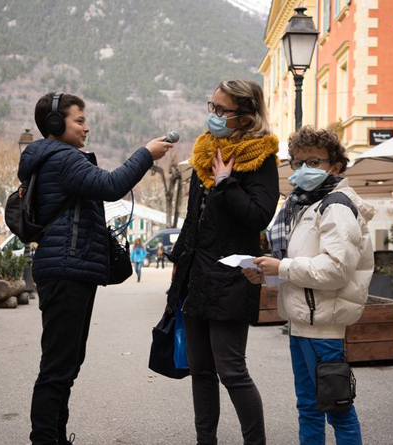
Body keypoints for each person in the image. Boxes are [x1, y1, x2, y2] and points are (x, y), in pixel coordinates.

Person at [19, 92, 173, 445]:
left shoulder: (57, 158)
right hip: (66, 271)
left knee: (67, 364)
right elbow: (111, 185)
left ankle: (55, 437)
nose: (86, 128)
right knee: (58, 367)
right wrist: (146, 154)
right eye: (79, 120)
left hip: (69, 269)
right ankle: (45, 440)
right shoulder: (62, 159)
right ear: (56, 125)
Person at [243, 127, 375, 445]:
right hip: (303, 323)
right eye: (298, 162)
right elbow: (304, 267)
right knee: (308, 408)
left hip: (324, 328)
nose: (304, 169)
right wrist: (268, 274)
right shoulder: (306, 207)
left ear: (336, 166)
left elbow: (336, 270)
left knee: (338, 411)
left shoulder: (337, 206)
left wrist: (283, 266)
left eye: (314, 161)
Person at [167, 79, 280, 445]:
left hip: (231, 277)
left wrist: (227, 183)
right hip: (195, 277)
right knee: (200, 370)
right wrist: (177, 268)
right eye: (211, 106)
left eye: (221, 110)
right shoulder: (204, 152)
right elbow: (192, 218)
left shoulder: (261, 158)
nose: (212, 115)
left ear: (245, 117)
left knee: (231, 370)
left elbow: (260, 215)